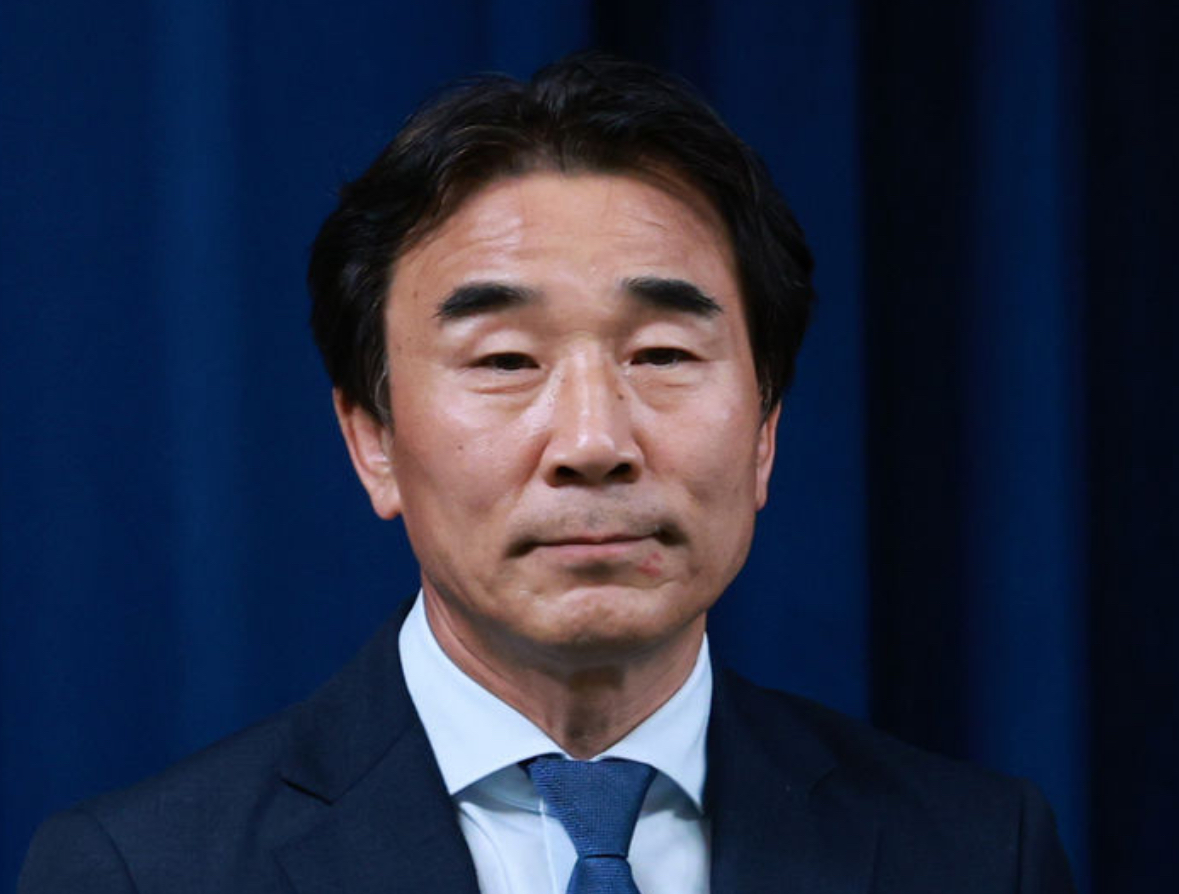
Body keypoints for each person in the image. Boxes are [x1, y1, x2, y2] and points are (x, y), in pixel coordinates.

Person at [18, 52, 1075, 894]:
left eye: (661, 354)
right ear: (372, 440)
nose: (593, 440)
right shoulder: (145, 871)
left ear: (764, 432)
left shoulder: (977, 853)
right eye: (506, 362)